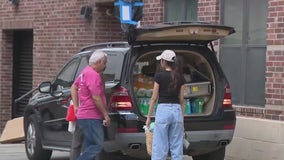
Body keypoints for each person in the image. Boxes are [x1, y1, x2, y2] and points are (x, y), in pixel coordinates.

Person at [71, 50, 111, 160]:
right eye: (104, 63)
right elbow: (96, 97)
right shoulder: (94, 75)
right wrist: (105, 115)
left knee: (88, 145)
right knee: (97, 145)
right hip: (91, 116)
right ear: (98, 62)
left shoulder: (85, 72)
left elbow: (74, 87)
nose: (105, 66)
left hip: (83, 115)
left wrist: (76, 106)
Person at [146, 50, 186, 160]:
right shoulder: (181, 78)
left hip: (163, 110)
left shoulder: (159, 76)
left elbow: (154, 98)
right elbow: (182, 100)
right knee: (177, 146)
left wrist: (149, 117)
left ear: (163, 62)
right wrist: (182, 118)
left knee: (160, 145)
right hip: (177, 111)